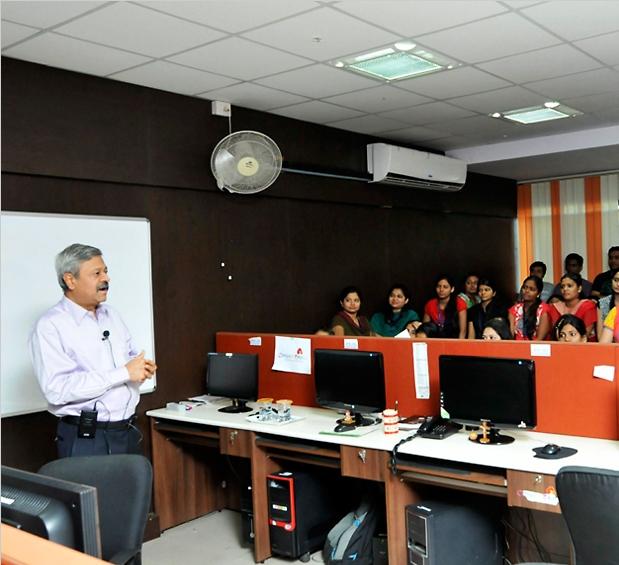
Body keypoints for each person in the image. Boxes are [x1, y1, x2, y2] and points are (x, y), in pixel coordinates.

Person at [29, 243, 157, 458]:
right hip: (86, 438)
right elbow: (57, 389)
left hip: (127, 431)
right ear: (70, 280)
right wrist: (124, 373)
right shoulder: (50, 326)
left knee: (134, 490)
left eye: (105, 271)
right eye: (96, 273)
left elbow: (131, 357)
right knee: (94, 493)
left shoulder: (112, 316)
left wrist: (141, 368)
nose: (105, 279)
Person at [548, 273, 597, 341]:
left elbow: (585, 334)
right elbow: (555, 333)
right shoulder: (555, 307)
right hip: (560, 346)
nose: (565, 289)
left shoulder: (588, 306)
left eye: (569, 286)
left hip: (584, 347)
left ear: (579, 288)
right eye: (562, 286)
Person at [508, 275, 552, 340]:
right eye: (525, 287)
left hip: (537, 348)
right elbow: (511, 336)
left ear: (538, 293)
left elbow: (540, 339)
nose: (527, 291)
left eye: (532, 289)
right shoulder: (514, 309)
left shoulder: (544, 310)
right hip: (517, 347)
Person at [597, 268, 619, 338]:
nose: (618, 284)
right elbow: (600, 336)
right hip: (607, 345)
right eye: (615, 280)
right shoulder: (602, 303)